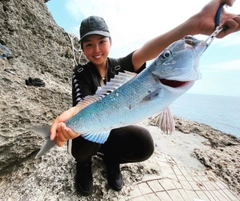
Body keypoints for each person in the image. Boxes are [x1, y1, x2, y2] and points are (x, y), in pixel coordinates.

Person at [50, 0, 240, 196]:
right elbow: (82, 105)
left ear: (111, 42)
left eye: (101, 42)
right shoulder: (81, 72)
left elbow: (151, 50)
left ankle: (111, 159)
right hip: (93, 126)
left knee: (145, 144)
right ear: (82, 48)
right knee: (81, 145)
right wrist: (65, 120)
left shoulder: (122, 65)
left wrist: (195, 24)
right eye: (89, 44)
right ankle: (84, 164)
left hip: (115, 126)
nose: (96, 49)